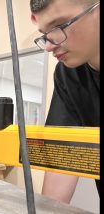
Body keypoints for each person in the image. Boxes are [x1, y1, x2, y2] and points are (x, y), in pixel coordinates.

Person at [30, 0, 100, 204]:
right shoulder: (68, 74)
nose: (49, 45)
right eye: (45, 34)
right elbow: (64, 155)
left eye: (59, 26)